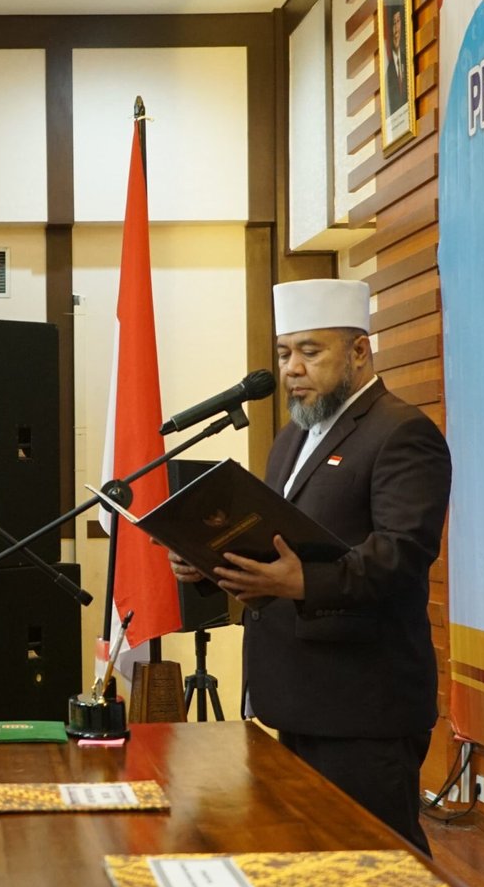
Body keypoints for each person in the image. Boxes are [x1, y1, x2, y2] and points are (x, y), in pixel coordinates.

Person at [168, 278, 450, 854]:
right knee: (310, 860)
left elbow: (402, 554)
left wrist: (306, 582)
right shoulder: (292, 436)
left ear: (359, 351)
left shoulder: (401, 432)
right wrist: (209, 557)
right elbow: (277, 543)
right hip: (295, 693)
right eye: (283, 353)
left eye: (310, 351)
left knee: (381, 864)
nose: (292, 368)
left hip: (363, 701)